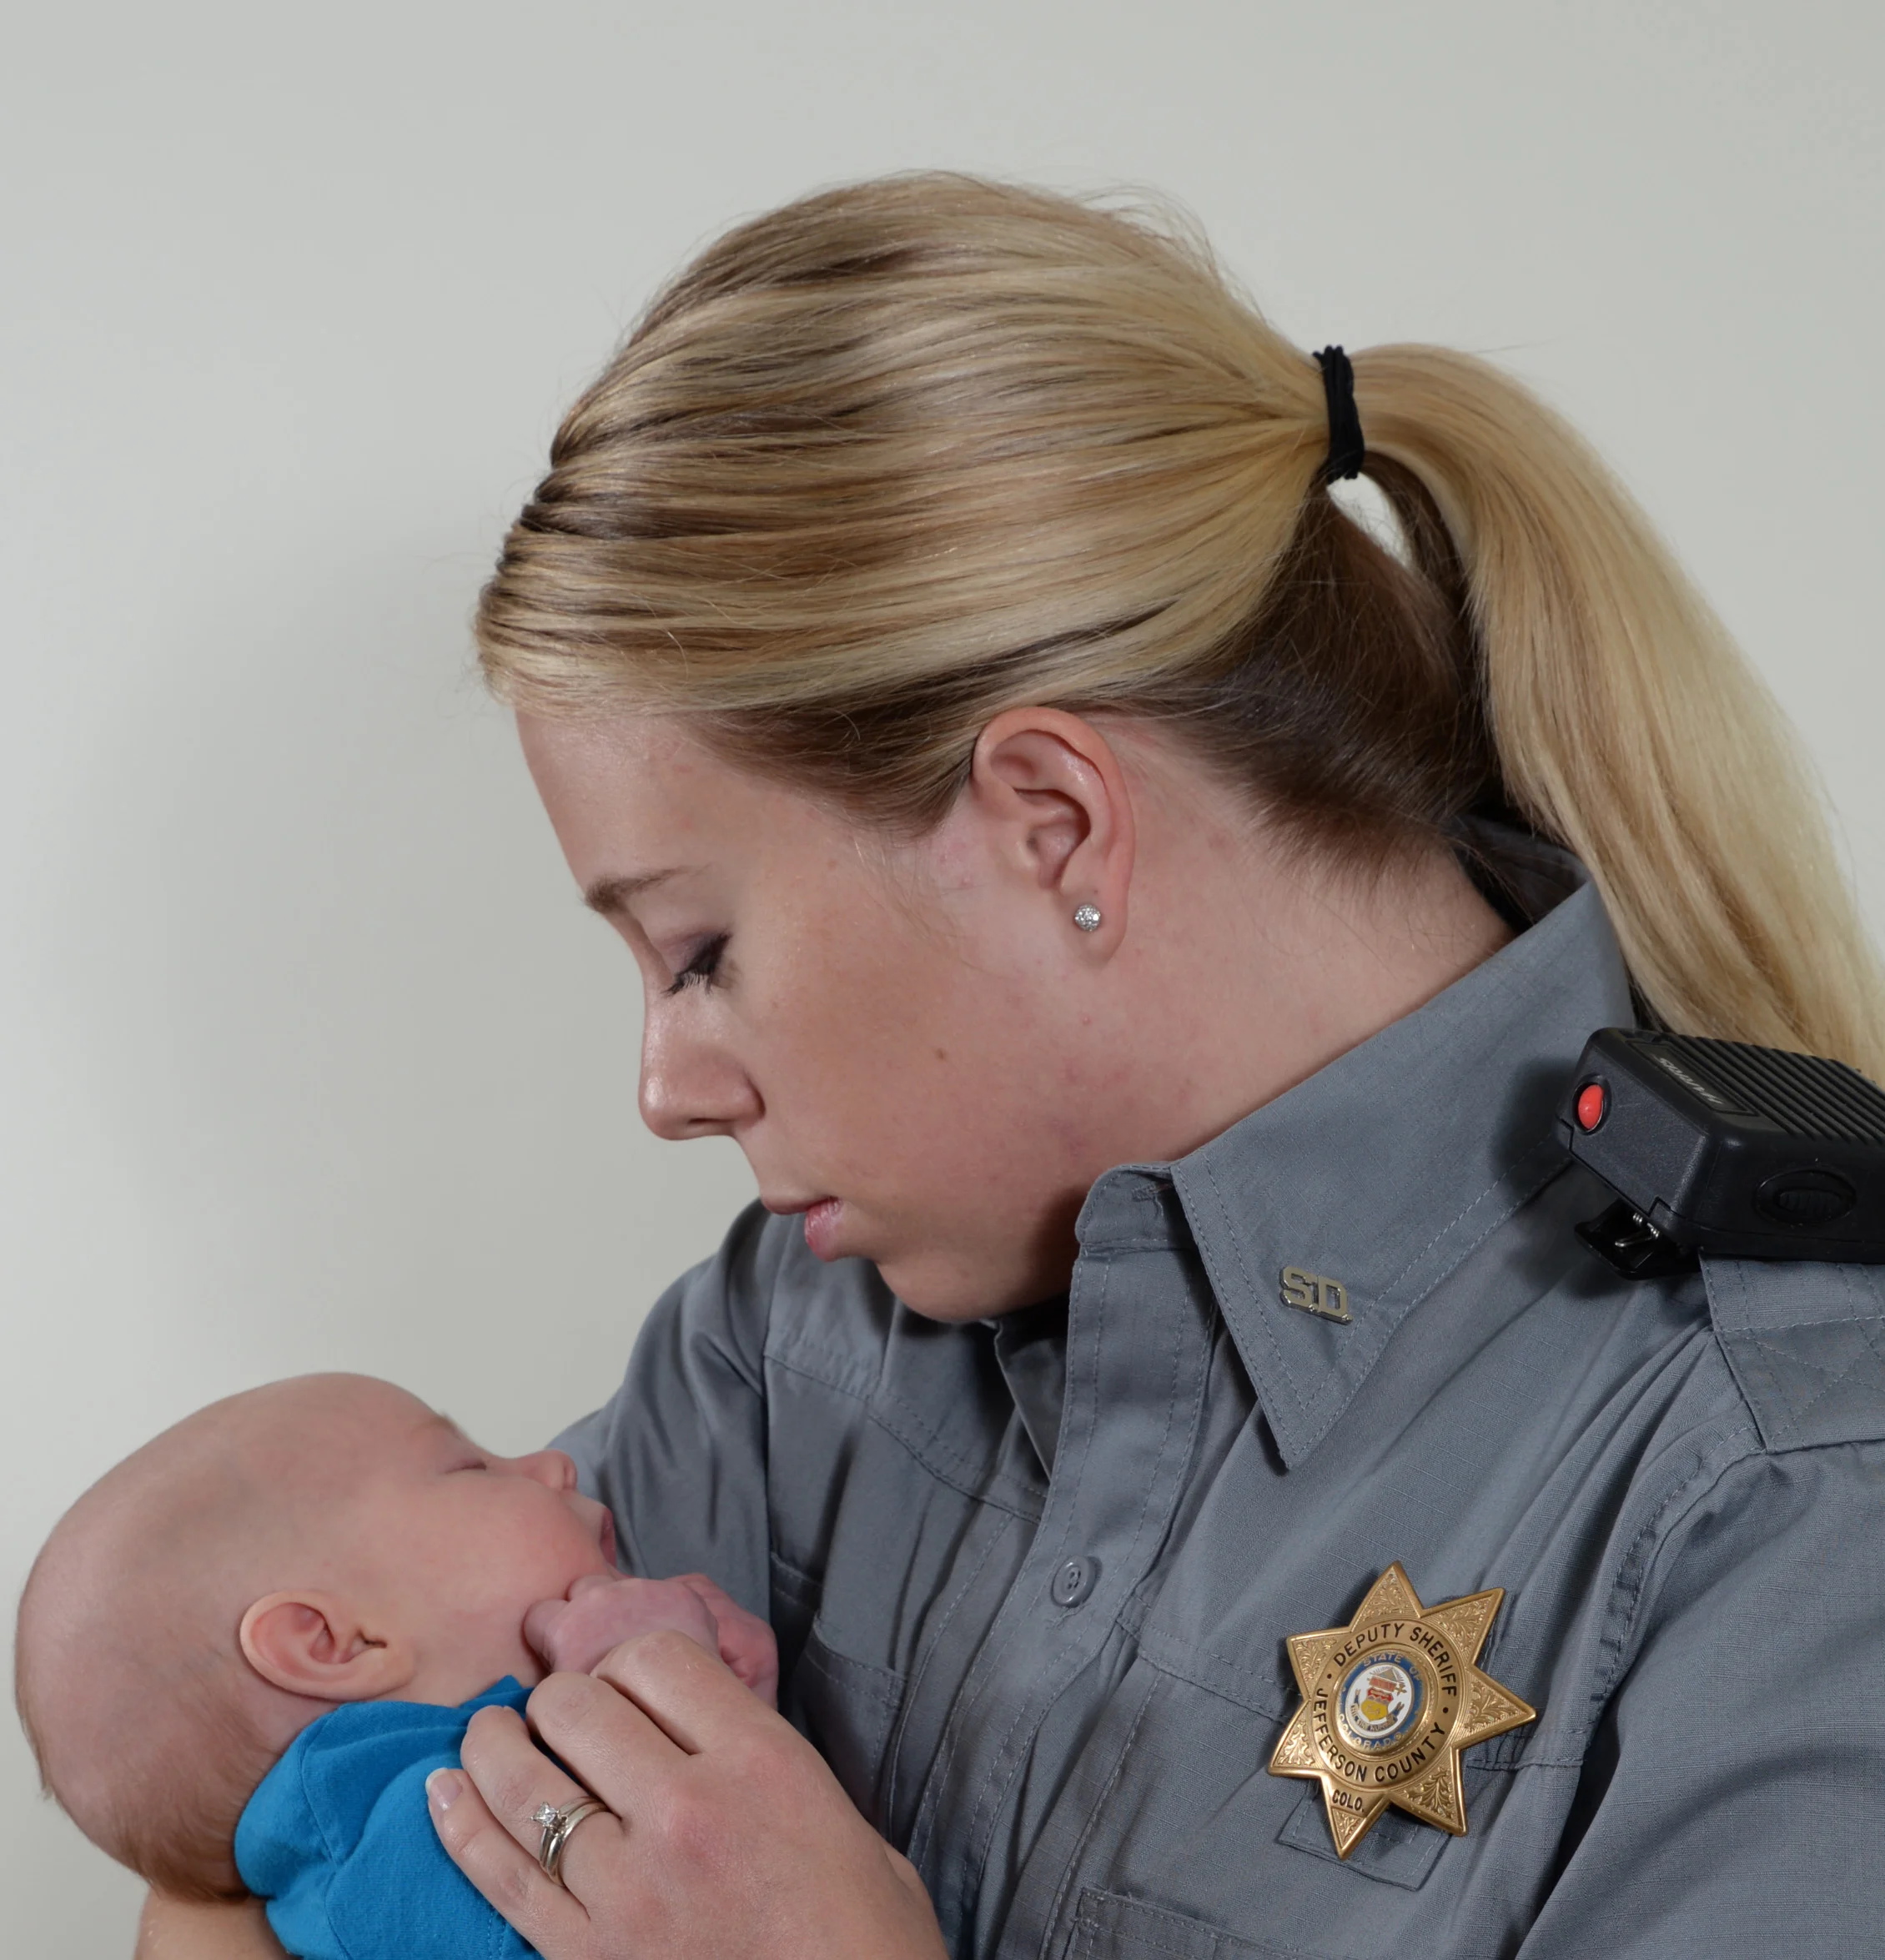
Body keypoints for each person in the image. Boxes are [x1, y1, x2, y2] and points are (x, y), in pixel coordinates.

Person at [138, 173, 1885, 1959]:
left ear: (1052, 823)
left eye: (700, 952)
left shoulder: (1795, 1499)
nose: (666, 1089)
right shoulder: (791, 1342)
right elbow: (216, 1828)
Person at [16, 1374, 777, 1958]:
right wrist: (650, 1680)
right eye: (472, 1468)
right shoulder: (394, 1853)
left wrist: (714, 1702)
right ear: (337, 1644)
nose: (557, 1467)